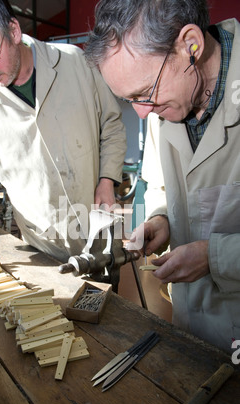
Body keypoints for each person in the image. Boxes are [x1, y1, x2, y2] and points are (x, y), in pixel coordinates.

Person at [84, 0, 240, 354]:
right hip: (193, 329)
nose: (141, 112)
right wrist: (161, 218)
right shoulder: (163, 107)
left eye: (144, 93)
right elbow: (162, 184)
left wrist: (215, 256)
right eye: (129, 100)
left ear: (191, 45)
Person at [0, 0, 126, 263]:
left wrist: (108, 180)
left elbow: (111, 124)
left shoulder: (75, 63)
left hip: (101, 237)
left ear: (14, 31)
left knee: (112, 302)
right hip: (44, 252)